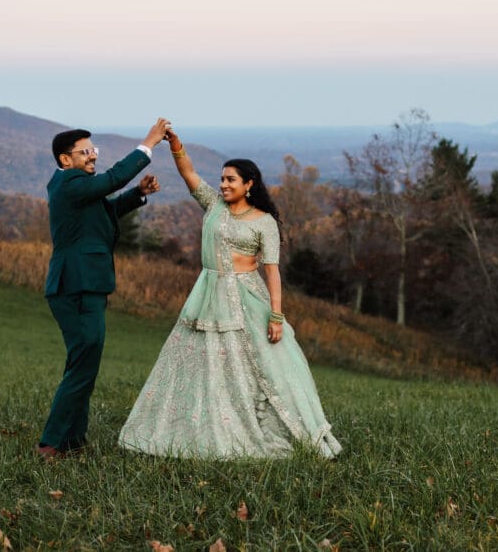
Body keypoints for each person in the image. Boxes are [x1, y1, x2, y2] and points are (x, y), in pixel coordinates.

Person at [118, 129, 341, 459]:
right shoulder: (214, 205)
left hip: (247, 298)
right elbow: (189, 173)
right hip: (207, 294)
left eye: (231, 180)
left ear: (249, 184)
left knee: (263, 364)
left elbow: (272, 270)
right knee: (196, 361)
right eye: (222, 179)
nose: (223, 185)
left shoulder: (264, 222)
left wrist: (277, 315)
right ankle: (192, 427)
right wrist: (175, 145)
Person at [38, 119, 171, 459]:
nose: (92, 157)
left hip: (83, 285)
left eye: (93, 151)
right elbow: (112, 179)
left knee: (83, 362)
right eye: (85, 152)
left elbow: (106, 209)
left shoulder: (78, 189)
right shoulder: (69, 183)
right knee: (83, 365)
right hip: (76, 286)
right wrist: (148, 144)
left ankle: (72, 440)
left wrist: (138, 194)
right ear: (65, 159)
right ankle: (52, 444)